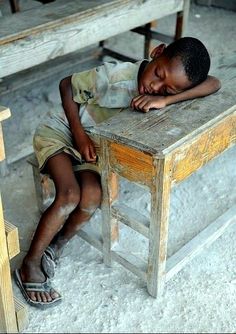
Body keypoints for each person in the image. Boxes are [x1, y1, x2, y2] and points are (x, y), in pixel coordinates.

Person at [14, 37, 221, 308]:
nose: (155, 88)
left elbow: (213, 83)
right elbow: (67, 84)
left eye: (167, 89)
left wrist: (168, 101)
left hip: (90, 141)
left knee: (92, 196)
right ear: (156, 52)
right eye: (158, 74)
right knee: (69, 195)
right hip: (61, 133)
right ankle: (29, 264)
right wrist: (79, 135)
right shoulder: (115, 77)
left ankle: (56, 246)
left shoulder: (161, 94)